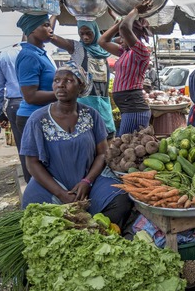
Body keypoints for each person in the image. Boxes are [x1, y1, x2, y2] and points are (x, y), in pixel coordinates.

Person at [20, 62, 131, 228]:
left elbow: (102, 153)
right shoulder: (38, 119)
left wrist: (87, 181)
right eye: (56, 80)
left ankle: (95, 234)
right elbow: (32, 163)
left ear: (81, 86)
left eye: (68, 81)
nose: (61, 85)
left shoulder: (91, 115)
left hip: (88, 182)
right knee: (38, 218)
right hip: (51, 185)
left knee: (121, 199)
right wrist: (61, 194)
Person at [49, 19, 117, 138]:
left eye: (89, 33)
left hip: (104, 104)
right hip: (85, 106)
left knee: (108, 138)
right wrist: (55, 13)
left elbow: (122, 33)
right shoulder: (77, 48)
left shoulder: (104, 48)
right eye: (82, 34)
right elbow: (51, 36)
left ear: (95, 32)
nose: (85, 37)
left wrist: (117, 17)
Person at [98, 0, 153, 136]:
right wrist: (119, 22)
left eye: (123, 38)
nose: (120, 41)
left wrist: (135, 11)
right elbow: (102, 41)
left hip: (134, 109)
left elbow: (125, 28)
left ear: (132, 36)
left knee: (127, 146)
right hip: (128, 108)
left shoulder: (141, 52)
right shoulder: (125, 52)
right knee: (125, 146)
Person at [15, 14, 58, 182]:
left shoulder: (39, 53)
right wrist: (62, 95)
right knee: (40, 166)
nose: (51, 29)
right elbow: (30, 96)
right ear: (32, 30)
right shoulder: (29, 56)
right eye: (46, 25)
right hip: (31, 117)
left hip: (42, 115)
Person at [0, 38, 26, 177]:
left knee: (23, 146)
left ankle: (30, 178)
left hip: (15, 104)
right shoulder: (42, 54)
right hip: (39, 103)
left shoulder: (4, 56)